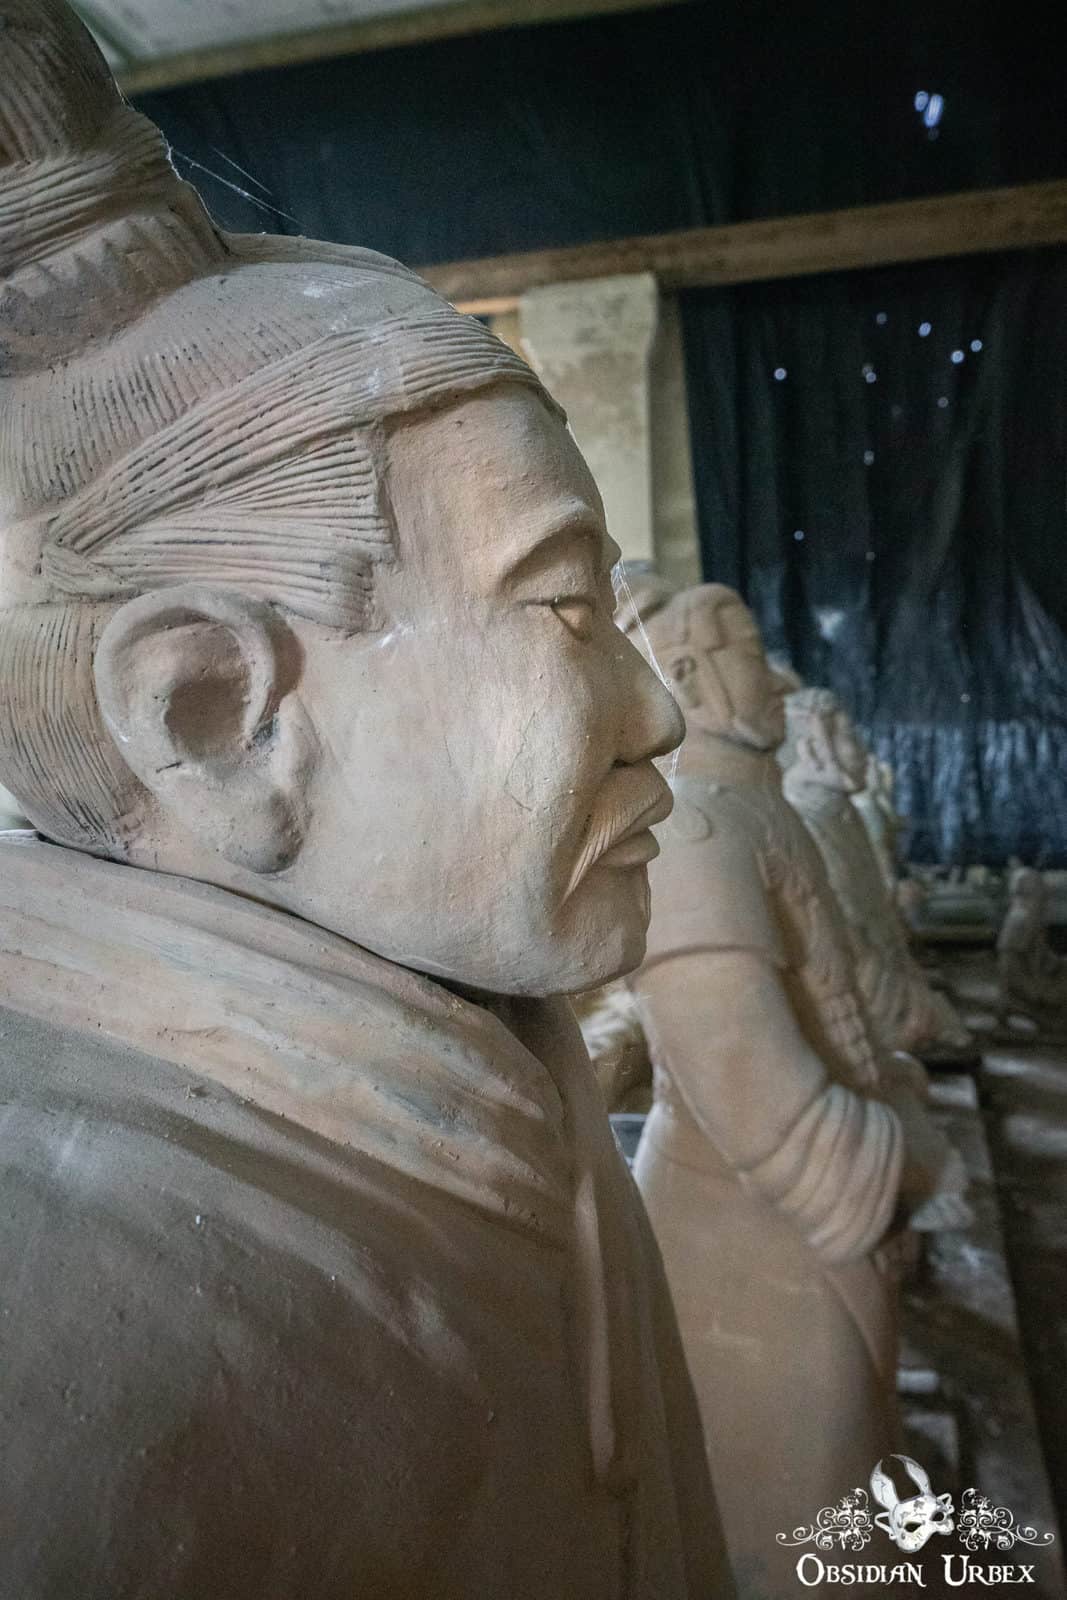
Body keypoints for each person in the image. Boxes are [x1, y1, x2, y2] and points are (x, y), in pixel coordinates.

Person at [0, 6, 730, 1595]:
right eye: (561, 606)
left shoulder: (484, 1044)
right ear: (215, 718)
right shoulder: (79, 1379)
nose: (662, 709)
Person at [625, 583, 958, 1599]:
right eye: (746, 651)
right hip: (747, 1232)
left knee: (847, 1463)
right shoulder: (693, 835)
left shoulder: (755, 809)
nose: (774, 677)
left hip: (816, 1222)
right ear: (686, 678)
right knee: (792, 1503)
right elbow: (759, 1100)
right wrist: (904, 1156)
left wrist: (893, 1089)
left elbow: (837, 1005)